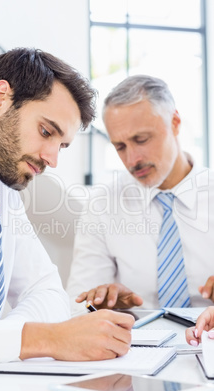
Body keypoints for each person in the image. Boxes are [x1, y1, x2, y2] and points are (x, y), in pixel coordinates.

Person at [0, 48, 134, 385]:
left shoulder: (3, 193)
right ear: (0, 98)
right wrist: (42, 339)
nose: (52, 159)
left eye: (61, 146)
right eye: (47, 132)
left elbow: (46, 290)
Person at [66, 74, 214, 315]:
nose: (132, 160)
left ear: (175, 123)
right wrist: (100, 304)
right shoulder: (102, 206)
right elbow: (78, 304)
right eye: (120, 147)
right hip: (138, 345)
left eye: (141, 139)